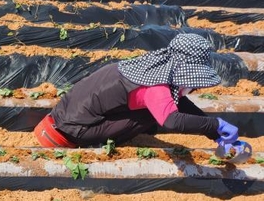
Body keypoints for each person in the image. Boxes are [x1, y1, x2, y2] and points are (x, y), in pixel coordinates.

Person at [33, 33, 249, 161]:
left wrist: (215, 134)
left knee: (163, 106)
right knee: (154, 114)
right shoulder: (155, 86)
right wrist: (216, 124)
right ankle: (95, 142)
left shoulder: (148, 68)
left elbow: (180, 102)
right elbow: (172, 120)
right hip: (71, 131)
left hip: (64, 116)